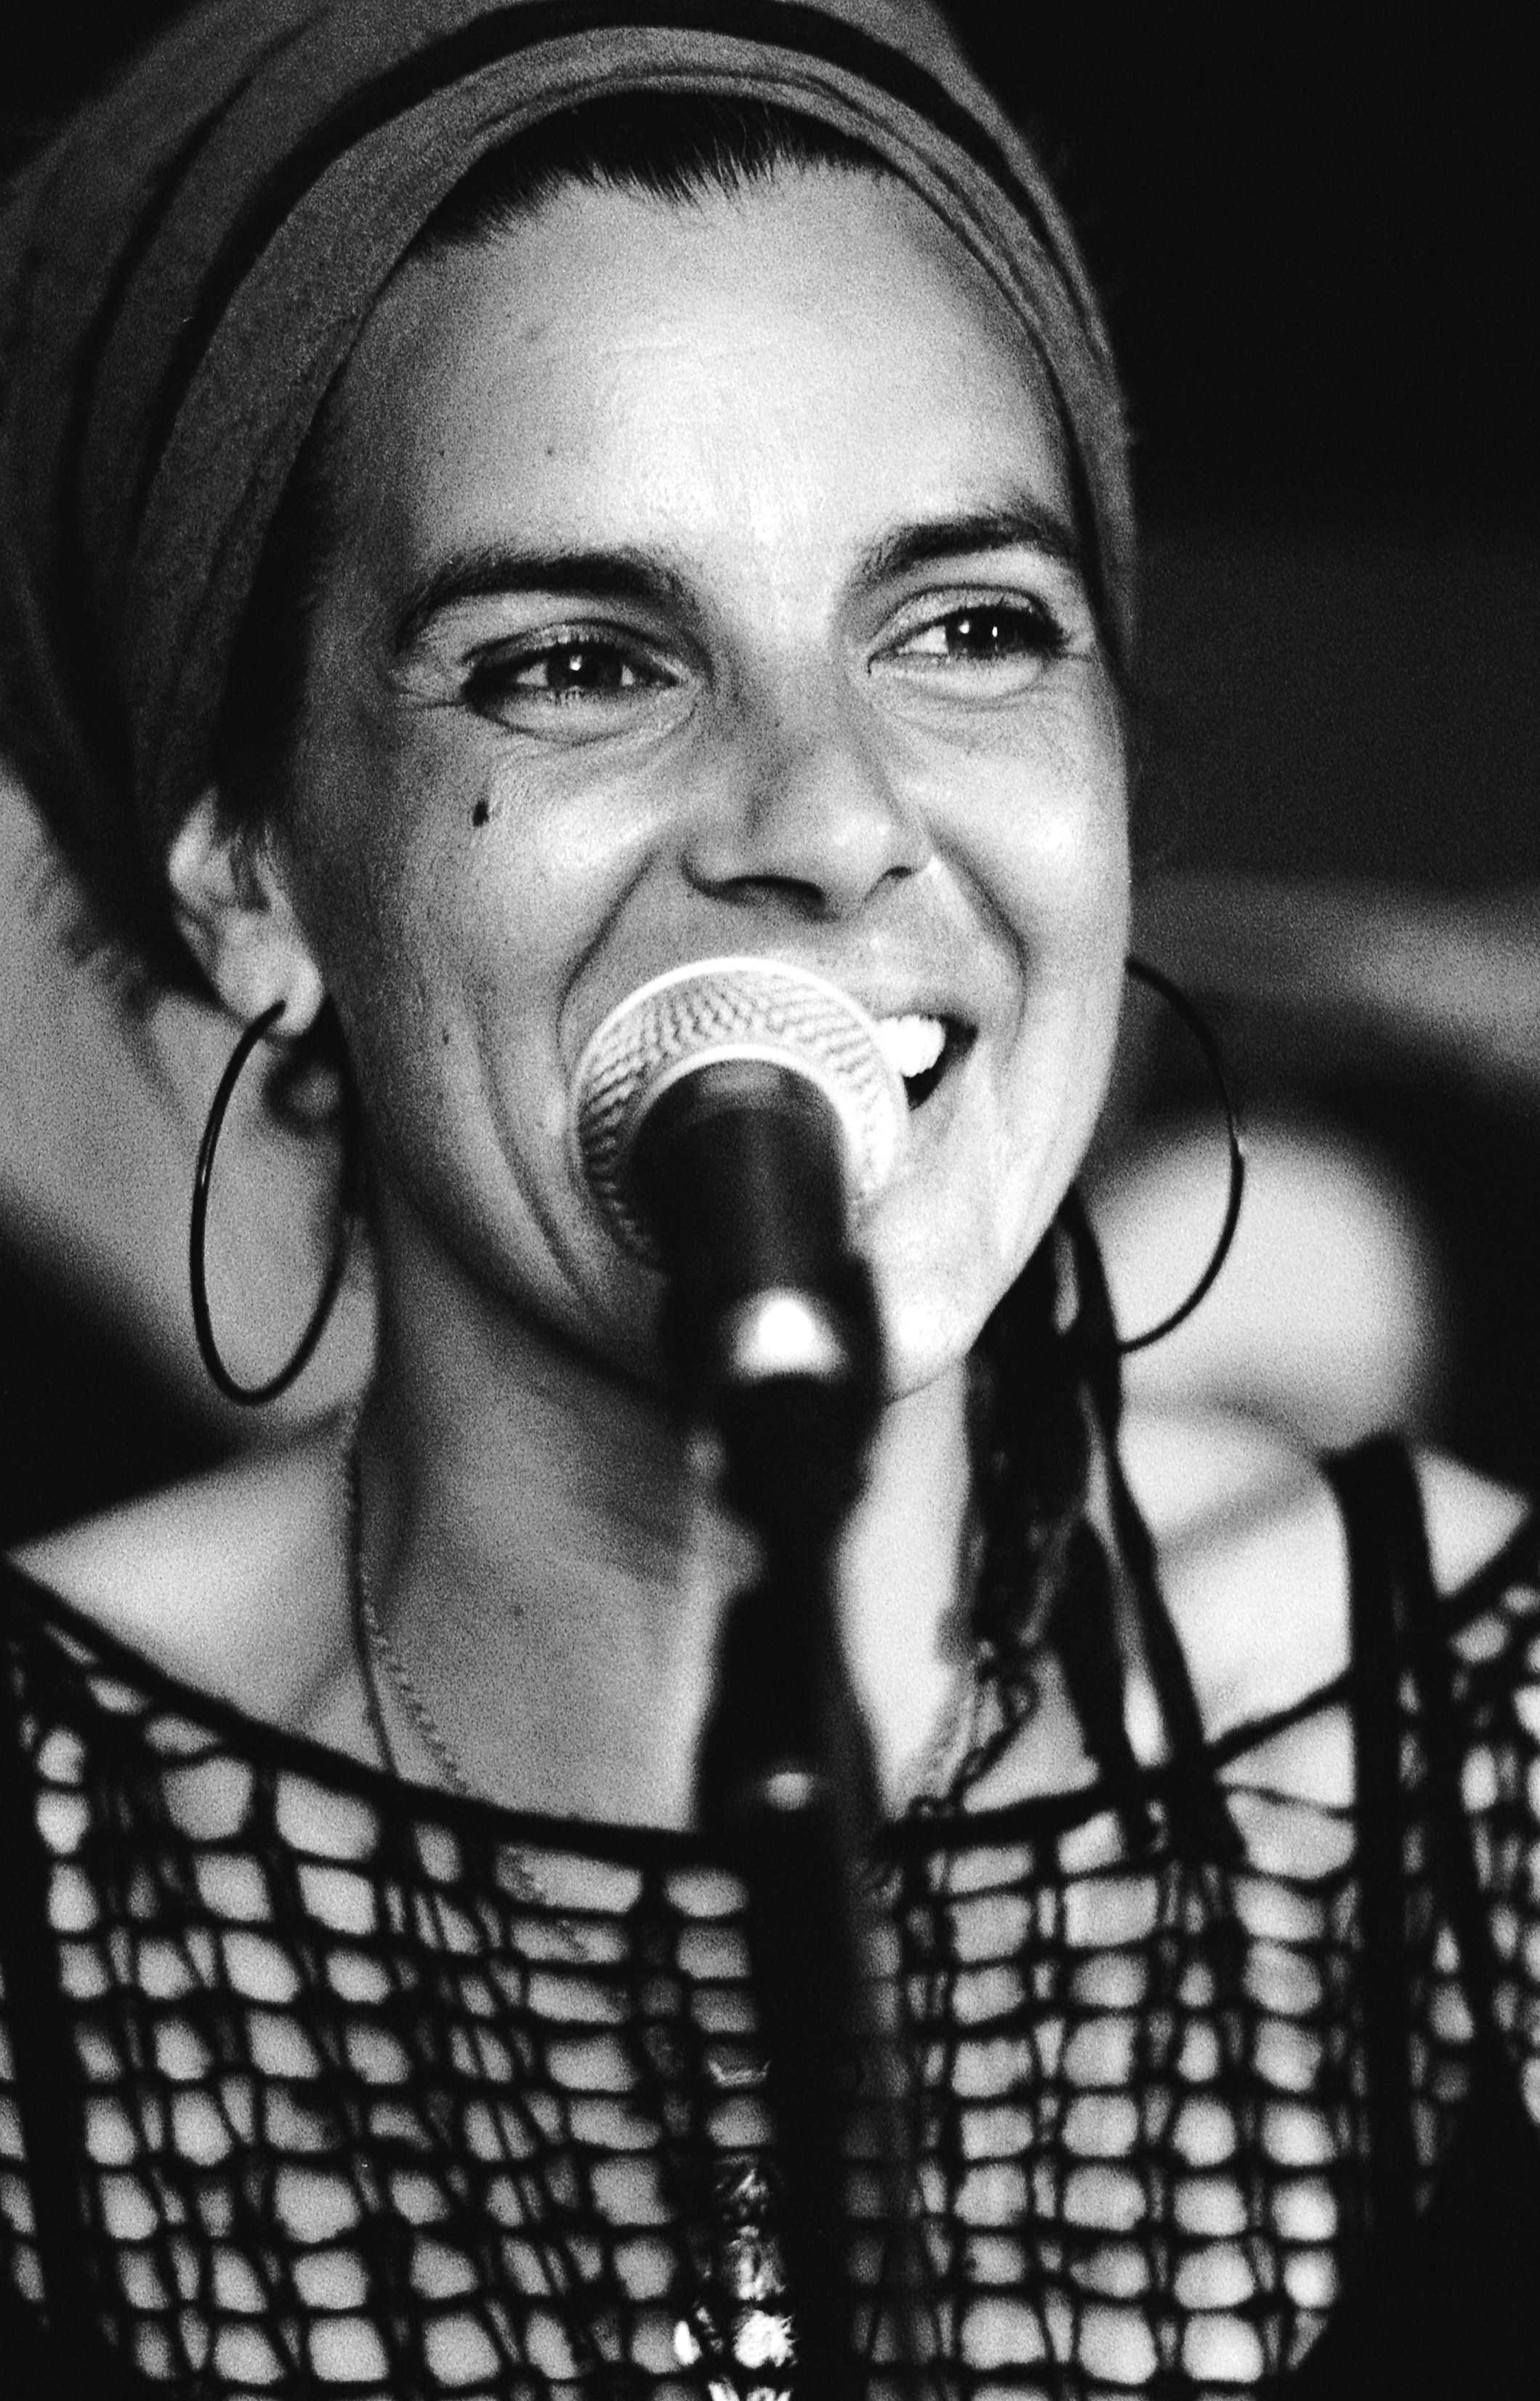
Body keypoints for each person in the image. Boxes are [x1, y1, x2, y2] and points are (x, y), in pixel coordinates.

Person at [1, 3, 1538, 2394]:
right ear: (252, 879)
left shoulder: (1485, 1751)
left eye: (971, 628)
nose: (826, 817)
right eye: (577, 662)